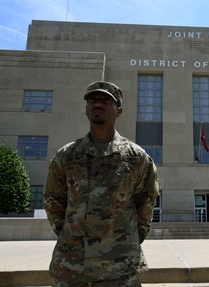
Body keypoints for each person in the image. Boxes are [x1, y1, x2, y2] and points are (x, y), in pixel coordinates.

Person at [43, 81, 159, 287]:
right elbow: (53, 201)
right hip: (72, 267)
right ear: (86, 109)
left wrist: (125, 242)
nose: (98, 104)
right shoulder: (66, 156)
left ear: (119, 110)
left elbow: (146, 204)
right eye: (93, 100)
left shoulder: (136, 158)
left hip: (119, 269)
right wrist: (72, 237)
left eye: (106, 101)